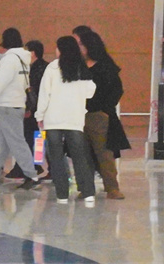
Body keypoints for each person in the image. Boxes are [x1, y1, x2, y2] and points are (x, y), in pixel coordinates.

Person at [0, 29, 40, 189]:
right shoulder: (22, 59)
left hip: (7, 105)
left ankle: (32, 176)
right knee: (0, 144)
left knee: (17, 142)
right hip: (14, 104)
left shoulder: (10, 60)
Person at [36, 35, 98, 204]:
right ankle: (88, 193)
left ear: (61, 49)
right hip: (74, 119)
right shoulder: (81, 68)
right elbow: (90, 91)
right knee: (80, 157)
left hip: (53, 120)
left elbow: (44, 94)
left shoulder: (52, 68)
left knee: (56, 158)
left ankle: (62, 195)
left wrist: (39, 115)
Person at [75, 27, 128, 200]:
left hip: (99, 116)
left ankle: (112, 187)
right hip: (78, 115)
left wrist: (105, 110)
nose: (79, 48)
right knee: (82, 154)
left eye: (81, 44)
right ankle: (85, 188)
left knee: (105, 154)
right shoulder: (78, 66)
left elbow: (117, 90)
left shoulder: (106, 66)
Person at [14, 39, 49, 181]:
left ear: (32, 53)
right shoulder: (31, 67)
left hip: (37, 109)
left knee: (37, 137)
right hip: (33, 109)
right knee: (33, 137)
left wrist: (31, 108)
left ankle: (36, 164)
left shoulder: (40, 69)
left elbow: (36, 91)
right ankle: (34, 164)